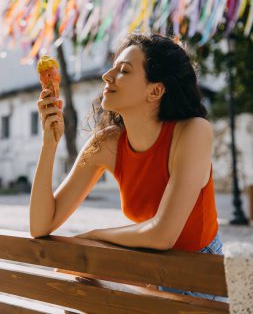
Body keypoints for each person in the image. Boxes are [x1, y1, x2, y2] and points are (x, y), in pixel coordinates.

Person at [30, 32, 226, 301]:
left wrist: (95, 237)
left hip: (199, 280)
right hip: (150, 272)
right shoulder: (107, 144)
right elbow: (40, 226)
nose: (106, 76)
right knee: (68, 272)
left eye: (123, 70)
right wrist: (49, 144)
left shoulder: (193, 132)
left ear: (155, 90)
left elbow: (162, 235)